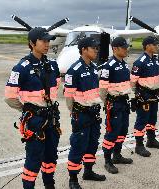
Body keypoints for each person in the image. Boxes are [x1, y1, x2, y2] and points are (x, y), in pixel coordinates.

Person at [4, 27, 62, 189]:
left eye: (48, 40)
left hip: (52, 118)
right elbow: (9, 97)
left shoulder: (52, 64)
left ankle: (49, 185)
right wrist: (28, 109)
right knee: (34, 158)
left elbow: (55, 87)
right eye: (43, 40)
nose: (47, 44)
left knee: (51, 156)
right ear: (32, 43)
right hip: (35, 121)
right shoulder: (21, 67)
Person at [64, 37, 106, 189]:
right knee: (78, 145)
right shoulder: (74, 70)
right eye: (93, 47)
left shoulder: (94, 68)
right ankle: (73, 179)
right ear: (83, 50)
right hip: (81, 115)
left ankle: (88, 171)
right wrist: (75, 112)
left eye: (96, 47)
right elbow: (68, 97)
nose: (96, 50)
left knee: (92, 143)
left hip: (93, 113)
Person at [99, 37, 133, 174]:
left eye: (126, 47)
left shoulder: (124, 64)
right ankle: (107, 160)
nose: (126, 50)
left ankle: (117, 155)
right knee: (112, 132)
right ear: (115, 49)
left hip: (124, 102)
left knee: (123, 130)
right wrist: (108, 103)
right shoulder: (108, 66)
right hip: (114, 103)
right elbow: (102, 90)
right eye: (124, 47)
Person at [130, 36, 159, 157]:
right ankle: (139, 145)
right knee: (142, 120)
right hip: (144, 95)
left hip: (154, 94)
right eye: (154, 45)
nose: (157, 47)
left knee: (152, 119)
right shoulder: (140, 62)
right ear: (147, 46)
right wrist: (137, 94)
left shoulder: (155, 60)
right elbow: (132, 81)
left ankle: (151, 140)